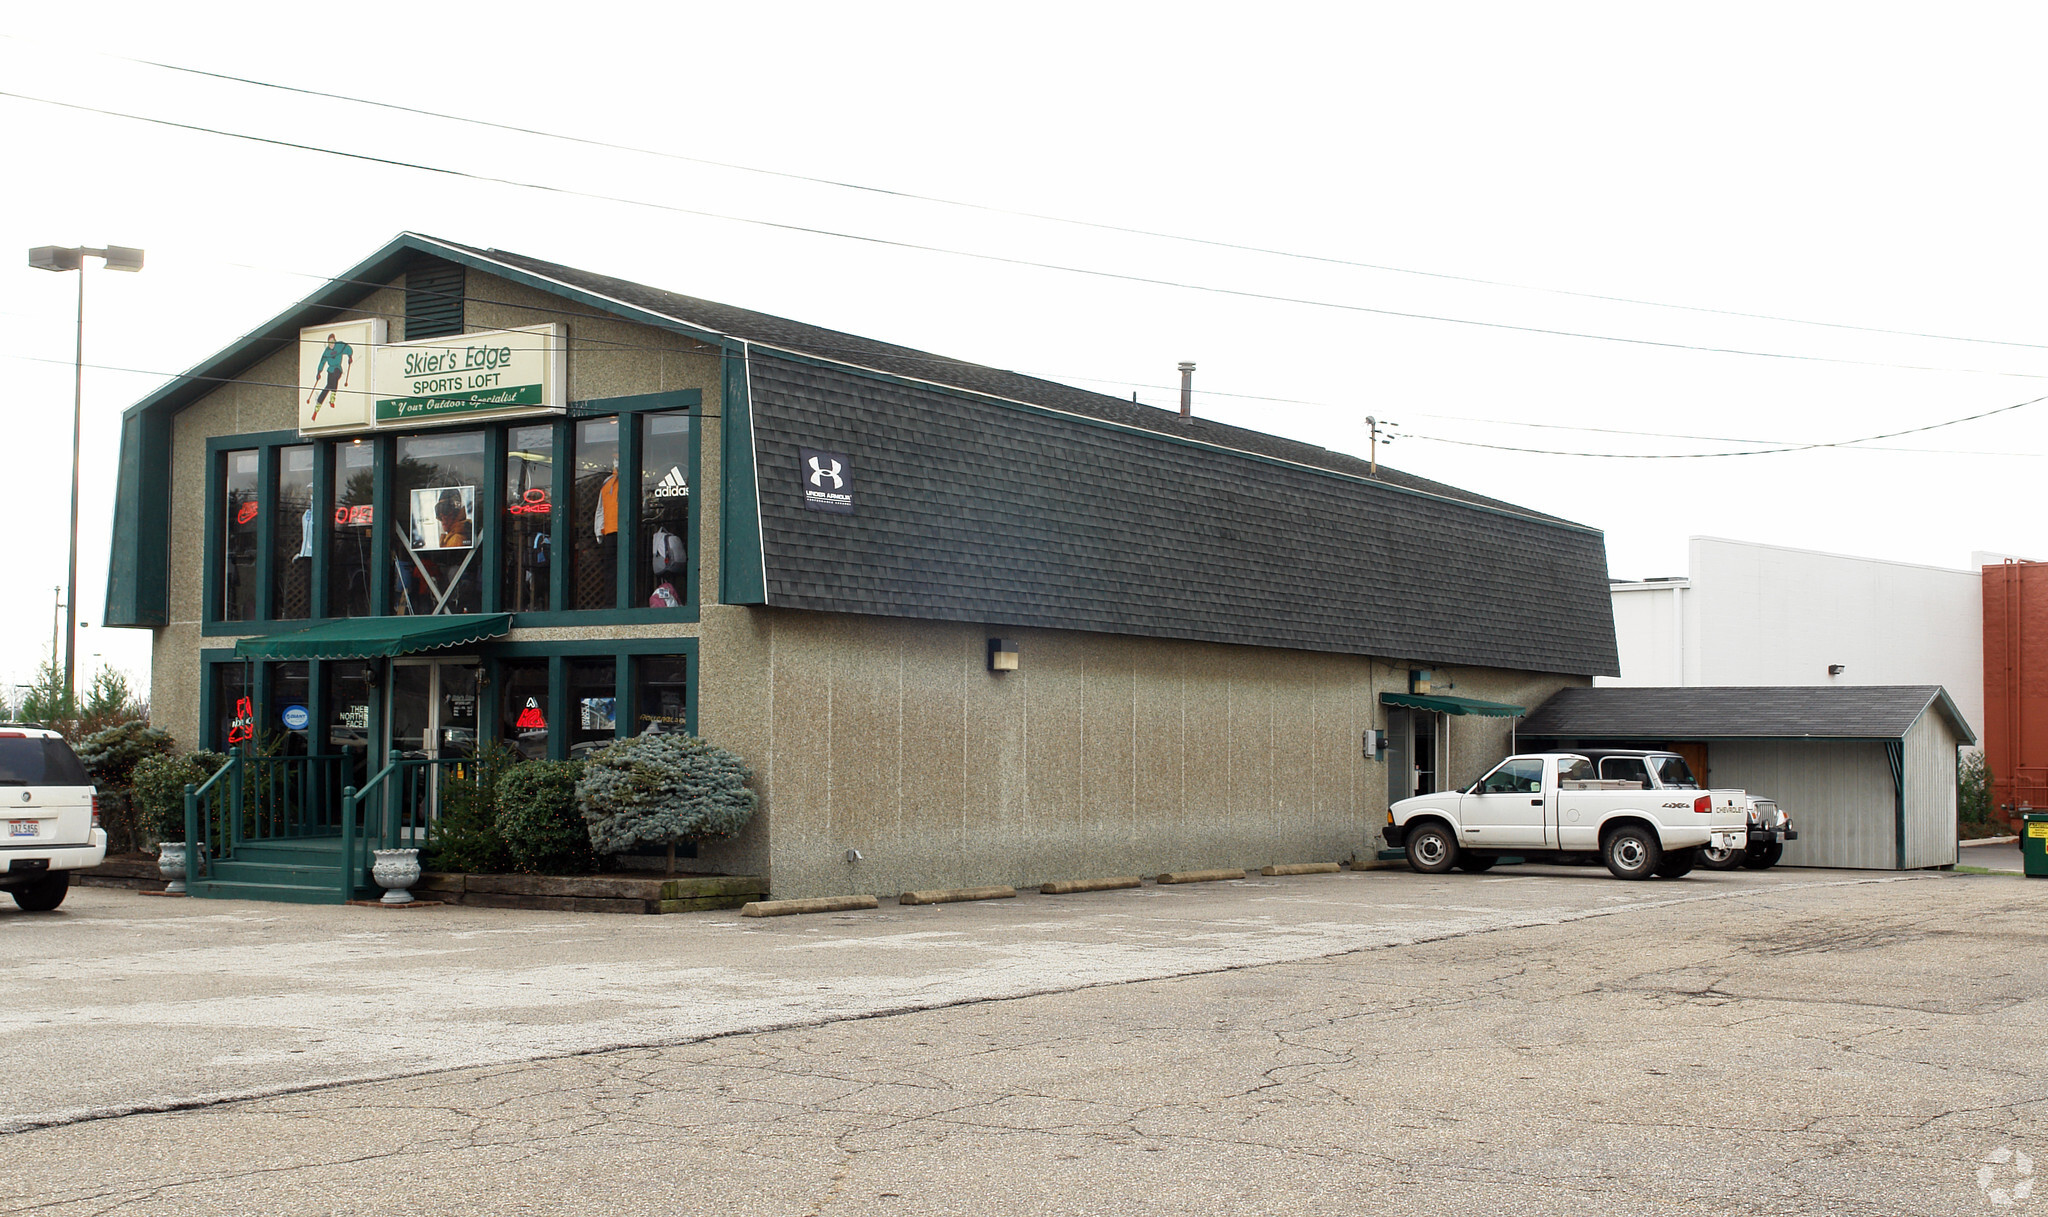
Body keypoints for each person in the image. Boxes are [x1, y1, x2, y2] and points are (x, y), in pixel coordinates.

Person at [306, 333, 354, 419]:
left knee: (334, 377)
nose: (331, 344)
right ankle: (316, 410)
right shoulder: (327, 352)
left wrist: (350, 356)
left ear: (335, 341)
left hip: (338, 369)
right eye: (329, 342)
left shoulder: (339, 346)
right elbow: (322, 362)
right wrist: (319, 372)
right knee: (328, 387)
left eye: (332, 342)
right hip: (330, 371)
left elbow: (347, 348)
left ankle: (332, 400)